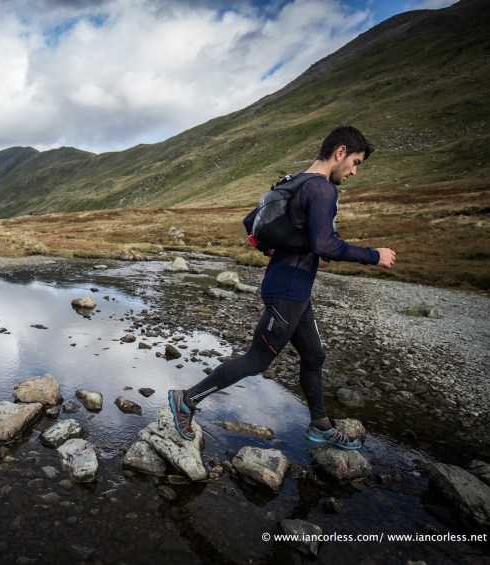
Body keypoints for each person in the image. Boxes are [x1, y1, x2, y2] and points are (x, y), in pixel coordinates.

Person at [168, 126, 396, 450]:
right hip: (287, 291)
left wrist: (275, 245)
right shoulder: (322, 189)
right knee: (258, 359)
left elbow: (251, 221)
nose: (354, 172)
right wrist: (374, 255)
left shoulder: (294, 182)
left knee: (314, 355)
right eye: (355, 163)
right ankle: (187, 400)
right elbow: (324, 244)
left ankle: (319, 425)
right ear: (340, 152)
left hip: (295, 292)